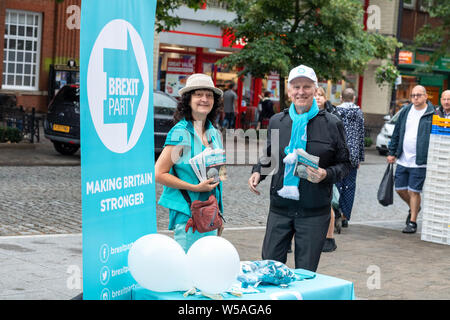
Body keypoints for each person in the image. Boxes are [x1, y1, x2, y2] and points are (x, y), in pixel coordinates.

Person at [248, 65, 351, 271]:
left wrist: (326, 173)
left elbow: (345, 163)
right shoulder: (278, 121)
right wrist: (258, 171)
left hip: (314, 212)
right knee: (270, 268)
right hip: (280, 208)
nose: (301, 92)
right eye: (296, 87)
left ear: (315, 90)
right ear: (288, 91)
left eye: (306, 87)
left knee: (305, 274)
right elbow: (271, 154)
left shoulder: (332, 124)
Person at [155, 73, 224, 252]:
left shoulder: (214, 132)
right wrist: (194, 188)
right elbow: (159, 173)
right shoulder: (180, 133)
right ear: (188, 100)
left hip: (209, 213)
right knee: (188, 272)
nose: (204, 99)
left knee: (204, 270)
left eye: (209, 95)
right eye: (198, 94)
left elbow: (217, 177)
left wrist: (219, 213)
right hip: (188, 215)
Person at [387, 85, 435, 234]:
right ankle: (415, 207)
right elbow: (397, 132)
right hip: (403, 158)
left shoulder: (432, 113)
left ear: (426, 96)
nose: (415, 98)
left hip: (420, 160)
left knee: (414, 191)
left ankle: (412, 221)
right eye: (413, 95)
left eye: (419, 95)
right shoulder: (406, 111)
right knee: (400, 189)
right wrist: (392, 152)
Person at [334, 88, 365, 228]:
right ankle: (345, 216)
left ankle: (335, 212)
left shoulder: (335, 112)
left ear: (341, 97)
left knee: (337, 184)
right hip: (352, 154)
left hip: (338, 153)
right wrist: (359, 157)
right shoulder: (358, 112)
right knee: (350, 185)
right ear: (354, 98)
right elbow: (360, 135)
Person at [315, 87, 338, 252]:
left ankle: (329, 237)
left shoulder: (332, 118)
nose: (317, 98)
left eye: (320, 95)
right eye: (314, 95)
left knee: (326, 202)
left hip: (325, 166)